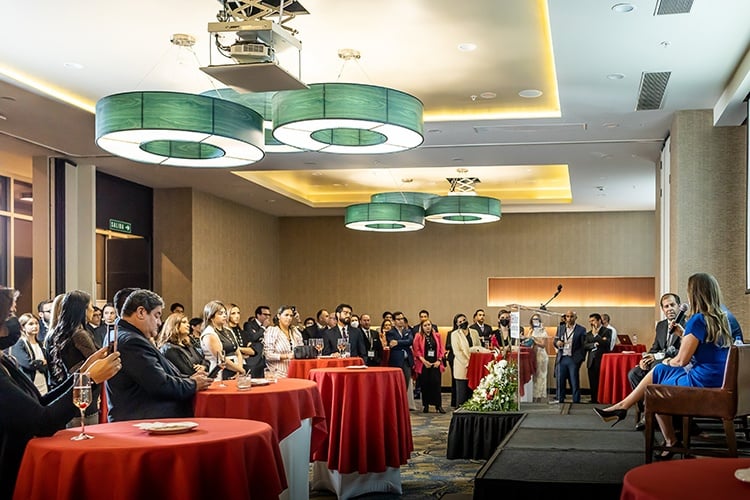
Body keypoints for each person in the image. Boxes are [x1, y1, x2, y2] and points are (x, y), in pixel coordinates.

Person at [594, 273, 738, 460]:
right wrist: (683, 334)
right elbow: (709, 347)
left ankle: (669, 440)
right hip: (722, 377)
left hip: (703, 381)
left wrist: (665, 361)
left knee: (655, 389)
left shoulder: (697, 319)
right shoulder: (725, 317)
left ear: (694, 294)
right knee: (659, 371)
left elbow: (681, 361)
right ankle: (623, 407)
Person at [0, 286, 121, 500]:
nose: (13, 322)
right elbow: (42, 421)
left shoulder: (3, 360)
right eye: (9, 315)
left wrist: (84, 373)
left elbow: (38, 402)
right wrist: (89, 380)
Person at [106, 289, 211, 421]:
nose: (159, 322)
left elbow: (155, 375)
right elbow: (160, 385)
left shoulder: (121, 333)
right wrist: (193, 384)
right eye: (157, 315)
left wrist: (188, 378)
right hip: (145, 421)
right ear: (141, 312)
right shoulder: (131, 341)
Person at [627, 292, 684, 431]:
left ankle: (652, 414)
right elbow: (655, 348)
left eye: (672, 305)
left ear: (678, 306)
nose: (669, 309)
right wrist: (645, 359)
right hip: (657, 363)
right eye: (666, 306)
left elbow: (682, 351)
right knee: (634, 373)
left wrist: (657, 357)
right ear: (663, 309)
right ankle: (648, 410)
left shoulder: (687, 324)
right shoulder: (661, 325)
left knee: (656, 366)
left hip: (676, 365)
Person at [46, 290, 101, 425]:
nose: (93, 310)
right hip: (83, 395)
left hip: (71, 392)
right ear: (82, 310)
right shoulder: (79, 334)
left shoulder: (64, 332)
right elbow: (96, 361)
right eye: (90, 307)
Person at [200, 301, 245, 380]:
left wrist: (239, 369)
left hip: (236, 368)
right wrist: (241, 370)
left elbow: (238, 352)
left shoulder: (228, 330)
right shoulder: (209, 333)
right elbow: (221, 358)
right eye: (220, 313)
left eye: (225, 313)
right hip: (220, 371)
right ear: (211, 317)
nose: (224, 315)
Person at [10, 313, 49, 395]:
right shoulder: (19, 343)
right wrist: (41, 362)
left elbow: (47, 363)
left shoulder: (40, 344)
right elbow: (28, 364)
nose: (35, 326)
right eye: (31, 324)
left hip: (43, 383)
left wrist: (41, 363)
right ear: (23, 327)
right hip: (28, 385)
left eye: (36, 323)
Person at [450, 313, 483, 407]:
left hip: (474, 366)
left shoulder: (474, 332)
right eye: (460, 321)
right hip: (462, 367)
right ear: (457, 324)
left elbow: (478, 347)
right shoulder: (455, 335)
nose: (463, 322)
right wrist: (468, 363)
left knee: (472, 395)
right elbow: (457, 352)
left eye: (464, 320)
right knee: (462, 395)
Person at [554, 310, 587, 404]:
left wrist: (580, 359)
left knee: (574, 381)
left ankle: (576, 401)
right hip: (562, 357)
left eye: (571, 316)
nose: (569, 318)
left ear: (575, 318)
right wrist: (557, 343)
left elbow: (583, 346)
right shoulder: (560, 328)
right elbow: (555, 341)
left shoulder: (581, 329)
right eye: (567, 316)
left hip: (573, 358)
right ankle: (560, 399)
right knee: (560, 380)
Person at [413, 318, 445, 413]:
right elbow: (416, 350)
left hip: (436, 364)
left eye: (429, 325)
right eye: (425, 325)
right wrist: (424, 361)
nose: (427, 327)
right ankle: (426, 405)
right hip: (424, 364)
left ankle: (438, 406)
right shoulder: (418, 336)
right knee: (425, 384)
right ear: (422, 327)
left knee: (436, 384)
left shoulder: (437, 336)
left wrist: (439, 360)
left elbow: (441, 349)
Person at [264, 305, 304, 378]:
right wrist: (286, 356)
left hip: (294, 371)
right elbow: (268, 355)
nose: (289, 318)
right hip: (277, 373)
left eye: (291, 316)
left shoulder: (294, 331)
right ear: (279, 316)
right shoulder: (272, 331)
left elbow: (301, 348)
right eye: (286, 315)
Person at [584, 313, 612, 404]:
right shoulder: (588, 333)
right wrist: (593, 344)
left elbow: (606, 343)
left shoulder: (607, 331)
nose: (591, 323)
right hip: (591, 360)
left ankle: (602, 399)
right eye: (590, 321)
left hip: (602, 360)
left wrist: (596, 335)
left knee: (601, 381)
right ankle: (593, 399)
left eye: (593, 321)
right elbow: (585, 345)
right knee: (592, 380)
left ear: (599, 320)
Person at [387, 311, 415, 392]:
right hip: (396, 361)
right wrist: (404, 343)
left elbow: (410, 341)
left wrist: (398, 342)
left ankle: (404, 399)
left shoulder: (408, 331)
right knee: (396, 384)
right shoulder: (390, 332)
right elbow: (392, 344)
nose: (401, 321)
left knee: (406, 383)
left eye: (402, 319)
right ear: (393, 321)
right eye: (398, 319)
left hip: (407, 361)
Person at [526, 313, 549, 402]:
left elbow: (543, 344)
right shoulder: (531, 330)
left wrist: (534, 340)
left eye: (537, 319)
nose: (535, 321)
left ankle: (539, 396)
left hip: (541, 355)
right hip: (532, 354)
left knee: (540, 376)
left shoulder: (543, 331)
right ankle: (533, 395)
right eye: (533, 319)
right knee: (534, 376)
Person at [242, 305, 269, 378]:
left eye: (269, 315)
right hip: (254, 359)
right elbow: (253, 338)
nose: (267, 317)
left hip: (265, 359)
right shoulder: (249, 324)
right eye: (265, 314)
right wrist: (263, 327)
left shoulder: (269, 327)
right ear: (258, 315)